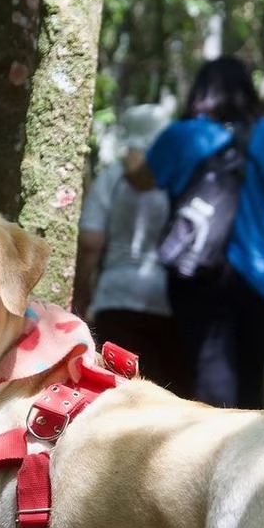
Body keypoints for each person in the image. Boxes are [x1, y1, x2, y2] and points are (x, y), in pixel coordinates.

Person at [124, 55, 264, 409]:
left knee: (210, 379)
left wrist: (130, 145)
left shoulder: (181, 135)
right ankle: (249, 457)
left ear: (201, 93)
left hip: (196, 273)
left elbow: (140, 180)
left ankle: (218, 460)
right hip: (262, 279)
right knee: (250, 384)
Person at [73, 103, 194, 395]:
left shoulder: (113, 176)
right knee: (169, 398)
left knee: (119, 394)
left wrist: (80, 294)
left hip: (116, 298)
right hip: (170, 302)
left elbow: (90, 242)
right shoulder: (179, 176)